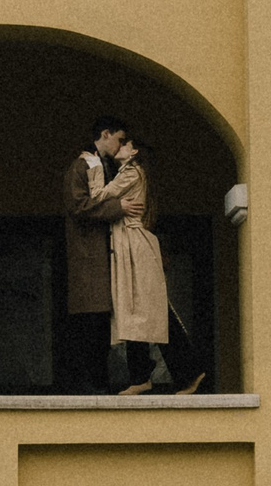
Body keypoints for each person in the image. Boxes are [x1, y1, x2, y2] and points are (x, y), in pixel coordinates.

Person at [85, 135, 208, 397]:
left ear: (133, 151)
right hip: (131, 244)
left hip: (134, 245)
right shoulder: (130, 172)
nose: (118, 147)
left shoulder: (132, 172)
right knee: (137, 309)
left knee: (148, 309)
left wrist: (94, 166)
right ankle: (143, 376)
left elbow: (97, 196)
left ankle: (186, 371)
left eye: (124, 144)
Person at [60, 116, 136, 393]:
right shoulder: (81, 166)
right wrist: (118, 208)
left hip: (108, 258)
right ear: (105, 134)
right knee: (90, 326)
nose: (121, 145)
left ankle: (100, 384)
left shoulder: (108, 166)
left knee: (103, 328)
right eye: (119, 139)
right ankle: (90, 387)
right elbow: (78, 207)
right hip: (89, 260)